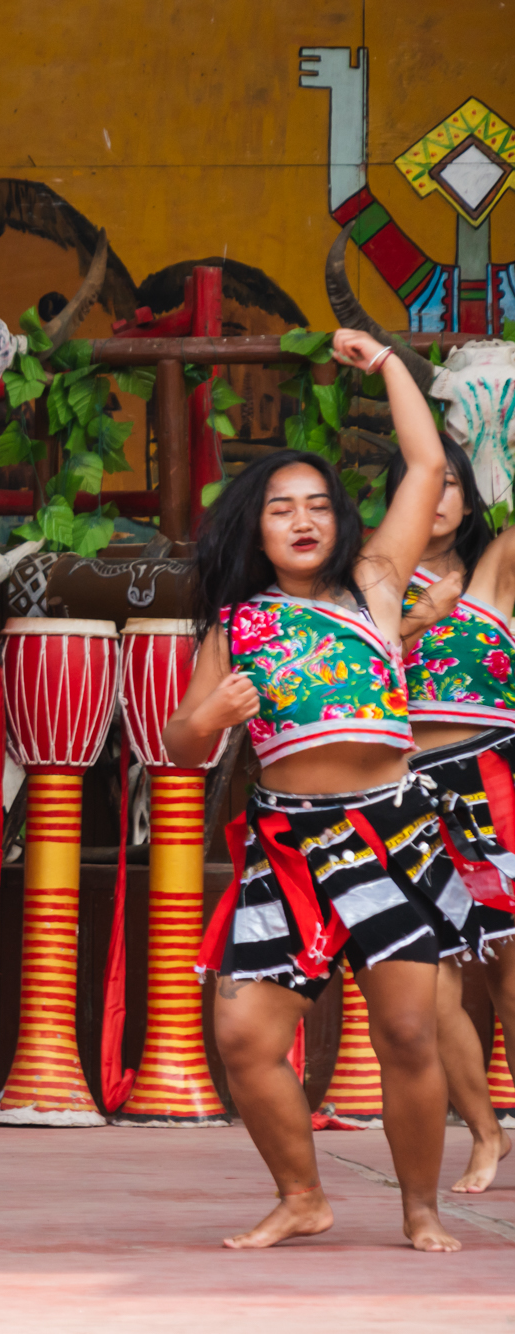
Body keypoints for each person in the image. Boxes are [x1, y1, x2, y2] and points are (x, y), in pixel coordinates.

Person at [163, 328, 468, 1252]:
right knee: (246, 1039)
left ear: (340, 522)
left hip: (391, 832)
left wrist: (386, 367)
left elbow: (422, 462)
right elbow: (179, 743)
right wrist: (211, 713)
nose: (301, 521)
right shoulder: (237, 622)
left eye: (317, 507)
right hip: (287, 847)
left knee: (410, 1034)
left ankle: (419, 1208)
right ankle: (303, 1195)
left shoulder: (375, 586)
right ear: (255, 528)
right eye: (280, 509)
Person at [384, 440, 515, 1192]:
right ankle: (486, 1131)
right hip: (403, 794)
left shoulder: (492, 573)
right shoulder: (369, 587)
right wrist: (413, 618)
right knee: (429, 987)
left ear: (470, 497)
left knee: (509, 976)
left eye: (452, 484)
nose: (436, 497)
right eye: (419, 483)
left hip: (490, 781)